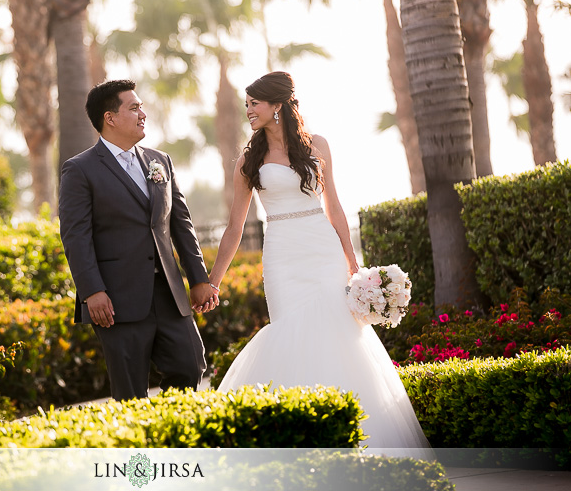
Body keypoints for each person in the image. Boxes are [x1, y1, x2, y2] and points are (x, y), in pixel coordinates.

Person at [207, 71, 432, 453]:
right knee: (290, 333)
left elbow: (335, 207)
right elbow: (233, 227)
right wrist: (213, 282)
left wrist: (351, 260)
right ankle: (301, 444)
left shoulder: (320, 146)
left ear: (277, 105)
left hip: (323, 251)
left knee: (340, 334)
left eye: (254, 104)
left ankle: (359, 441)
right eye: (246, 104)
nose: (248, 111)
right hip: (282, 257)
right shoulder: (249, 160)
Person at [58, 79, 217, 401]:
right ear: (110, 118)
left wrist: (198, 279)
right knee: (130, 389)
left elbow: (180, 224)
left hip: (168, 293)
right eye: (134, 107)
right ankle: (140, 449)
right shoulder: (80, 169)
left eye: (141, 106)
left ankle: (173, 436)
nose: (143, 113)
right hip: (116, 299)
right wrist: (92, 292)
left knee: (190, 365)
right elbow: (76, 235)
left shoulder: (161, 161)